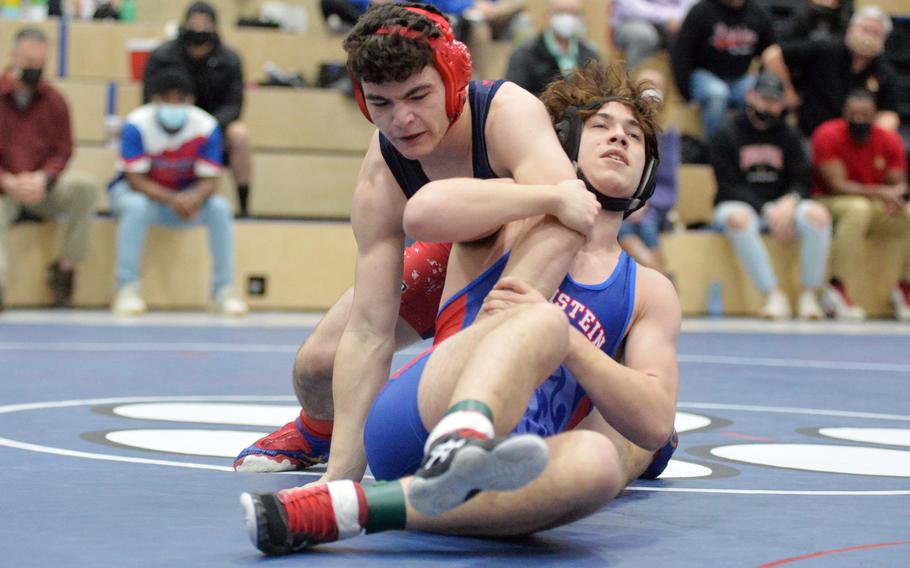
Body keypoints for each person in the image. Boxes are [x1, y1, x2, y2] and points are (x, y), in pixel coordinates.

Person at [239, 62, 681, 555]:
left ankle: (359, 509)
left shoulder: (648, 290)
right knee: (530, 322)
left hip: (513, 462)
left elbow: (656, 421)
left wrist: (573, 344)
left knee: (598, 463)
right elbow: (424, 211)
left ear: (648, 174)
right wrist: (547, 195)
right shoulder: (518, 213)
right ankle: (459, 438)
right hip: (424, 417)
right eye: (601, 126)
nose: (619, 139)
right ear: (562, 140)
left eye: (634, 137)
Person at [233, 3, 594, 480]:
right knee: (319, 365)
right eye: (381, 103)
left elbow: (567, 220)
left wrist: (495, 325)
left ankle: (599, 409)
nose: (402, 119)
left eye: (418, 95)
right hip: (451, 249)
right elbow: (368, 330)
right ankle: (318, 432)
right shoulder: (384, 168)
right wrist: (339, 479)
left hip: (538, 256)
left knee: (529, 236)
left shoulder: (507, 112)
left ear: (454, 78)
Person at [108, 68, 248, 317]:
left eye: (180, 99)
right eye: (167, 99)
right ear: (155, 99)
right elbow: (134, 178)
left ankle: (223, 291)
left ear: (190, 100)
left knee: (219, 208)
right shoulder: (136, 124)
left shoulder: (205, 126)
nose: (174, 105)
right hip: (143, 196)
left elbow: (210, 179)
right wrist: (174, 199)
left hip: (186, 200)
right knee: (135, 206)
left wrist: (193, 197)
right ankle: (126, 288)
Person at [709, 71, 831, 319]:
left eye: (775, 101)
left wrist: (790, 201)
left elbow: (802, 178)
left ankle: (809, 294)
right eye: (764, 99)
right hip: (739, 204)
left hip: (781, 204)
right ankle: (772, 294)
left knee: (818, 215)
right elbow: (728, 185)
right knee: (738, 219)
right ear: (750, 96)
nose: (769, 106)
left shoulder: (790, 135)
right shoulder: (726, 133)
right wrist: (767, 208)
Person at [0, 27, 98, 311]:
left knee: (86, 188)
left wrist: (44, 177)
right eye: (29, 63)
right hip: (4, 191)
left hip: (42, 188)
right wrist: (7, 181)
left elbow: (64, 149)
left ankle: (64, 270)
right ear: (13, 57)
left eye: (40, 64)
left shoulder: (55, 101)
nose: (34, 69)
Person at [143, 1, 253, 217]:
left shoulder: (230, 60)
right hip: (168, 123)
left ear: (215, 28)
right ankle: (153, 195)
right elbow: (150, 100)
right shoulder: (162, 56)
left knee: (239, 133)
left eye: (205, 25)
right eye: (194, 24)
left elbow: (234, 106)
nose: (199, 31)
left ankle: (244, 207)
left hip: (213, 127)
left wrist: (205, 129)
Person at [811, 88, 910, 321]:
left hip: (872, 205)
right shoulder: (827, 134)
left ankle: (904, 289)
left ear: (874, 115)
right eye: (854, 115)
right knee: (857, 208)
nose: (859, 120)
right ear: (844, 114)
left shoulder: (889, 140)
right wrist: (881, 192)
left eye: (865, 115)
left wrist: (898, 196)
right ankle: (837, 287)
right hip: (828, 203)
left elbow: (899, 184)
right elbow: (836, 185)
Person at [762, 5, 899, 139]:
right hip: (810, 134)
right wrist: (788, 93)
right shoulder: (826, 48)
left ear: (884, 39)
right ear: (850, 29)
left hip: (853, 143)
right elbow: (772, 55)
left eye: (875, 33)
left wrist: (872, 136)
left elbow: (890, 115)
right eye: (865, 30)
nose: (868, 38)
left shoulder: (884, 72)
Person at [671, 0, 777, 139]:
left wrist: (765, 81)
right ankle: (715, 149)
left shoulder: (758, 13)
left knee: (757, 92)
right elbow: (682, 53)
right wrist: (684, 92)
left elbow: (771, 52)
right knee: (718, 94)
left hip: (740, 78)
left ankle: (745, 148)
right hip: (704, 75)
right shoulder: (701, 11)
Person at [618, 68, 680, 274]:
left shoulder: (668, 133)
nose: (650, 92)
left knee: (646, 224)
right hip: (622, 199)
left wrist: (644, 203)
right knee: (620, 223)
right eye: (646, 85)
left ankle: (656, 278)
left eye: (656, 87)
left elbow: (667, 185)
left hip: (653, 206)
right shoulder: (621, 128)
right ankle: (660, 276)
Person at [504, 0, 600, 97]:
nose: (567, 19)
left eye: (573, 13)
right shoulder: (525, 54)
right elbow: (514, 96)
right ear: (548, 14)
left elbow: (597, 92)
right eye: (561, 12)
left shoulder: (590, 54)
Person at [611, 0, 696, 71]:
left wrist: (678, 20)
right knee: (644, 36)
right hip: (633, 21)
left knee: (693, 33)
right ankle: (636, 86)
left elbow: (691, 5)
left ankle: (682, 89)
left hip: (675, 24)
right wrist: (666, 18)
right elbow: (630, 7)